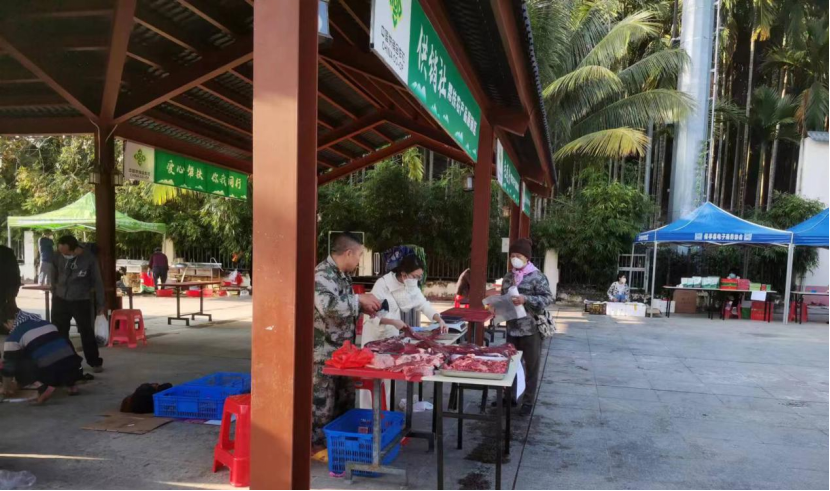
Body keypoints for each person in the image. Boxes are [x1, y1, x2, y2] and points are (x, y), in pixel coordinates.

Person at [312, 232, 381, 450]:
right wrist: (358, 299)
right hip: (324, 355)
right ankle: (319, 451)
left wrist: (362, 308)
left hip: (343, 355)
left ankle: (339, 448)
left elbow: (343, 307)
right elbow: (327, 306)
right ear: (349, 253)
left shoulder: (343, 275)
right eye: (359, 255)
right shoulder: (322, 274)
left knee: (345, 404)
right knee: (322, 409)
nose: (359, 261)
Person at [2, 246, 82, 405]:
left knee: (21, 363)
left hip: (50, 371)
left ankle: (45, 386)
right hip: (75, 367)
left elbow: (9, 366)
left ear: (8, 323)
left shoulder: (14, 337)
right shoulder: (44, 322)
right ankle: (71, 385)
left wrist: (6, 387)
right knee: (55, 353)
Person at [501, 238, 553, 417]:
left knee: (531, 367)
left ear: (527, 258)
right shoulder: (508, 277)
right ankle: (509, 397)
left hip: (531, 330)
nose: (514, 259)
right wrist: (497, 306)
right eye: (512, 255)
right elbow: (503, 297)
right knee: (511, 365)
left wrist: (526, 299)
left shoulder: (537, 276)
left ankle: (528, 402)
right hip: (512, 328)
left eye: (518, 255)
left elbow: (548, 298)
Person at [52, 235, 105, 373]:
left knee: (86, 331)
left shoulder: (89, 258)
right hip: (60, 298)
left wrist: (101, 304)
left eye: (66, 252)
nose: (63, 254)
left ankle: (94, 361)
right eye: (61, 252)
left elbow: (98, 281)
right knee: (59, 331)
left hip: (81, 299)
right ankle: (66, 360)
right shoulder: (57, 256)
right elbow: (54, 275)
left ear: (75, 249)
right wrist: (54, 292)